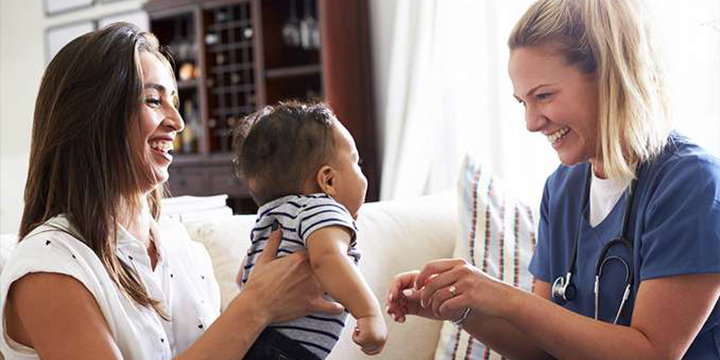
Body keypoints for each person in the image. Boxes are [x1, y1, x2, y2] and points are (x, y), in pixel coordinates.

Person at [386, 0, 720, 359]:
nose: (531, 123)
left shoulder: (691, 183)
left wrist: (502, 296)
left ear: (610, 77)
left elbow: (652, 353)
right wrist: (463, 308)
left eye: (543, 96)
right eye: (522, 103)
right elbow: (540, 350)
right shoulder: (562, 189)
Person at [0, 23, 344, 360]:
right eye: (153, 100)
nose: (177, 122)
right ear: (92, 116)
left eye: (174, 101)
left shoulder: (183, 251)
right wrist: (256, 306)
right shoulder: (48, 267)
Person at [231, 101, 387, 359]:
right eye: (356, 163)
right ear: (328, 180)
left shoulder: (272, 217)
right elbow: (328, 258)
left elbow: (242, 278)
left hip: (253, 341)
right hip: (286, 352)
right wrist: (369, 313)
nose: (362, 174)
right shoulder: (323, 208)